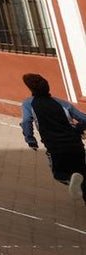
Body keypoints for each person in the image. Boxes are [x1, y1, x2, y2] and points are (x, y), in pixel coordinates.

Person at [20, 73, 86, 203]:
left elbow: (27, 121)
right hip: (75, 144)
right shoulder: (62, 103)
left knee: (60, 175)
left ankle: (71, 180)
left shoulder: (29, 104)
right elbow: (84, 118)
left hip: (55, 148)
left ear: (31, 89)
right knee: (82, 172)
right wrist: (78, 129)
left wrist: (30, 140)